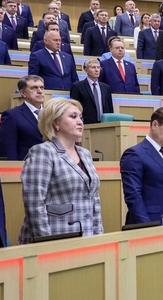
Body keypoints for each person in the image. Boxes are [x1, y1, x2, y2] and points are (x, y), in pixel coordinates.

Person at [19, 97, 102, 244]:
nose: (80, 122)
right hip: (55, 238)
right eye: (73, 116)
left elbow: (94, 200)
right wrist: (46, 243)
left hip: (86, 237)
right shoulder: (43, 152)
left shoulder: (85, 154)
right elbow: (35, 204)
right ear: (56, 123)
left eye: (81, 117)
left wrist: (98, 237)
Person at [121, 107, 163, 226]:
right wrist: (148, 228)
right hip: (151, 224)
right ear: (154, 125)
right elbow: (134, 196)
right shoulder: (134, 154)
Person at [0, 75, 45, 160]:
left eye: (42, 88)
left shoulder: (52, 114)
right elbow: (8, 150)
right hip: (26, 165)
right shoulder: (12, 115)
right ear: (23, 93)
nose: (40, 91)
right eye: (34, 88)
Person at [70, 59, 114, 124]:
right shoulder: (77, 86)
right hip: (85, 123)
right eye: (93, 67)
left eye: (98, 67)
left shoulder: (106, 88)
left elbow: (110, 108)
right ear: (86, 70)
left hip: (104, 124)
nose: (96, 70)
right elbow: (74, 106)